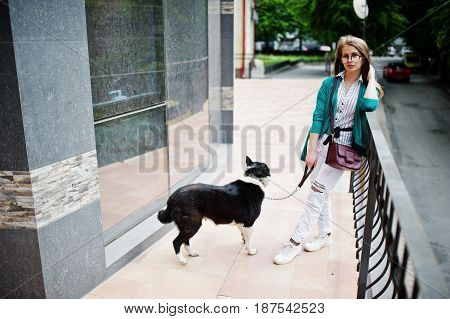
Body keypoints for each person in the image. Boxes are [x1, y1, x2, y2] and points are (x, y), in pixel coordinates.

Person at [273, 35, 383, 265]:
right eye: (345, 55)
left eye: (355, 55)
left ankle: (293, 243)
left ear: (364, 58)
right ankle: (325, 234)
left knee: (316, 194)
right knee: (321, 193)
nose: (350, 59)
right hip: (322, 144)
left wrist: (371, 77)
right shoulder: (329, 84)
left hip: (344, 149)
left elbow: (370, 105)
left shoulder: (366, 88)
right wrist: (311, 150)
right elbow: (318, 117)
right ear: (340, 58)